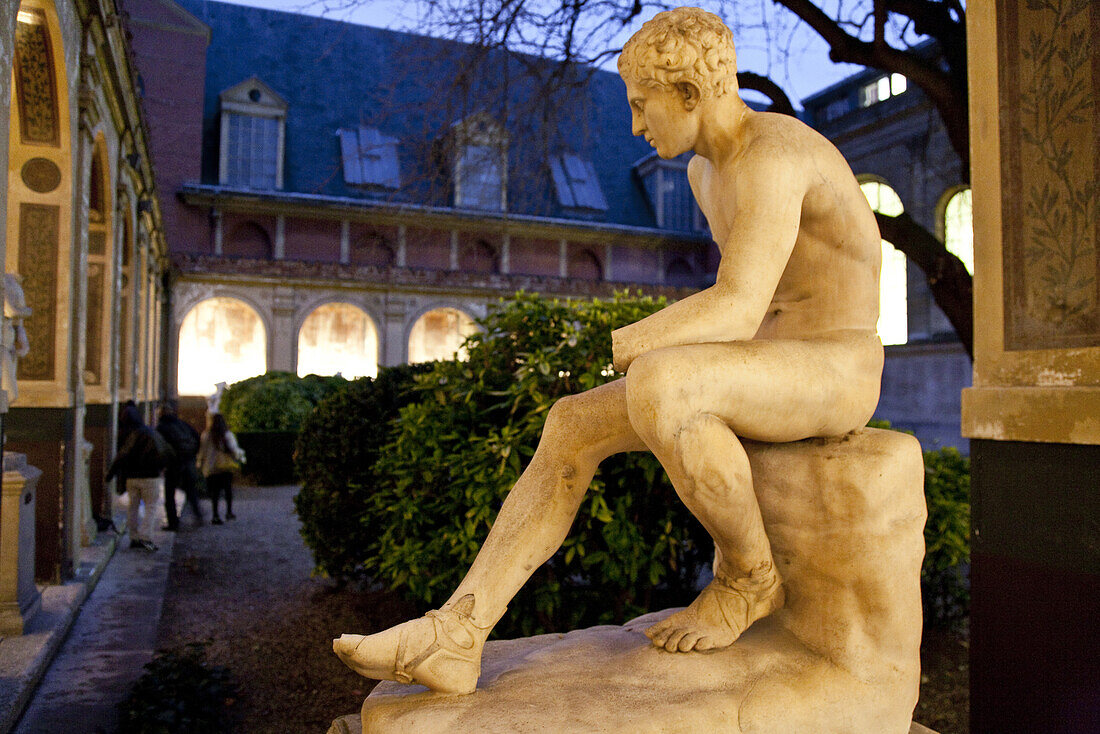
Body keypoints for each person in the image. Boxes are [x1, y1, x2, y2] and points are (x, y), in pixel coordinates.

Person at [334, 7, 884, 695]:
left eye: (640, 104)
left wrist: (610, 346)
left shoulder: (774, 153)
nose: (634, 126)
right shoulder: (703, 176)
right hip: (770, 366)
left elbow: (739, 307)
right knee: (571, 423)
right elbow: (739, 321)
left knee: (661, 383)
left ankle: (749, 579)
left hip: (837, 363)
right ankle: (456, 634)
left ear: (690, 93)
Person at [107, 405, 172, 552]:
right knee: (150, 507)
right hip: (150, 477)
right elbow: (165, 451)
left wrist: (111, 474)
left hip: (132, 477)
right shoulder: (150, 433)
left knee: (133, 507)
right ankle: (145, 537)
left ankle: (134, 537)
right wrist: (162, 467)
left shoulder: (126, 434)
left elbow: (122, 455)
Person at [156, 401, 204, 530]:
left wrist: (162, 465)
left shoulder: (162, 427)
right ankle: (198, 515)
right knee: (190, 490)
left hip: (173, 464)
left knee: (170, 494)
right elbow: (196, 438)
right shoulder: (182, 424)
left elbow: (160, 448)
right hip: (188, 461)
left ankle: (173, 523)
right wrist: (192, 456)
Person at [199, 413, 245, 525]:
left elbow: (202, 452)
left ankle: (215, 515)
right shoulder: (227, 435)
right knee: (228, 490)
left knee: (215, 493)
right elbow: (234, 450)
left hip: (212, 467)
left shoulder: (206, 435)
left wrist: (200, 465)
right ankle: (229, 512)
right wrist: (241, 458)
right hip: (225, 467)